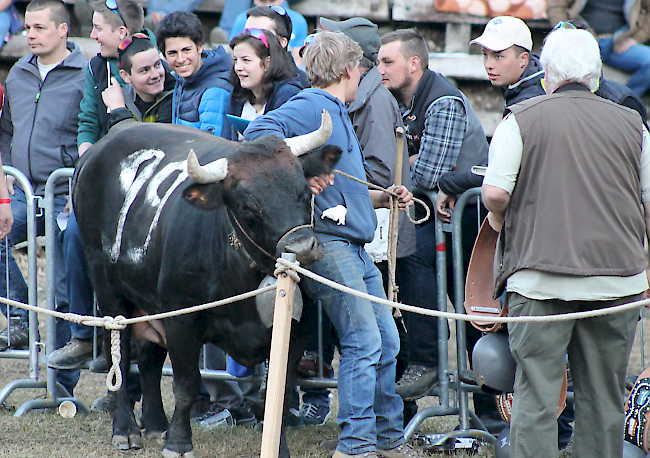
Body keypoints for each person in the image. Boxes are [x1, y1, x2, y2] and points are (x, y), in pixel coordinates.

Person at [245, 30, 420, 458]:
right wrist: (302, 168)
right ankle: (357, 445)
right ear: (348, 70)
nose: (364, 74)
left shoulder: (334, 109)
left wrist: (381, 196)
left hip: (351, 242)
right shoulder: (310, 106)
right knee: (363, 340)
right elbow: (256, 134)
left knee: (385, 342)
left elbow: (344, 188)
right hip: (331, 244)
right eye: (361, 68)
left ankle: (385, 439)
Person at [482, 27, 650, 458]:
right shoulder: (635, 125)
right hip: (617, 285)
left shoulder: (520, 118)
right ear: (594, 75)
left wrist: (499, 220)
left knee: (536, 397)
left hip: (540, 282)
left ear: (545, 73)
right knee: (604, 400)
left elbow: (495, 193)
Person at [377, 29, 488, 413]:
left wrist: (402, 165)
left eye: (387, 62)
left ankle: (442, 372)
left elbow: (427, 174)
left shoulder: (441, 100)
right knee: (414, 261)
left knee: (475, 313)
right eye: (377, 62)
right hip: (439, 218)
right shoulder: (397, 98)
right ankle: (425, 365)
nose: (380, 70)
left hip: (472, 222)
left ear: (414, 64)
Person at [319, 16, 418, 427]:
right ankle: (368, 435)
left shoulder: (373, 101)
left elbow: (377, 169)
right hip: (355, 229)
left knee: (377, 339)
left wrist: (352, 183)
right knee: (371, 338)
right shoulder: (339, 102)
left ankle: (378, 432)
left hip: (370, 233)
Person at [47, 0, 145, 372]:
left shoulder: (151, 62)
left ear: (122, 34)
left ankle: (121, 346)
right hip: (103, 177)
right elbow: (88, 121)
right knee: (73, 234)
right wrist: (85, 170)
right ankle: (84, 337)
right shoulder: (96, 66)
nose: (90, 35)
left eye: (97, 28)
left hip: (142, 186)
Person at [0, 0, 86, 396]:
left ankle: (62, 386)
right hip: (20, 190)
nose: (29, 35)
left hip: (66, 195)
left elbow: (96, 137)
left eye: (38, 28)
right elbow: (5, 133)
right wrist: (3, 178)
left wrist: (81, 189)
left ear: (63, 29)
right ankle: (18, 317)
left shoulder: (86, 74)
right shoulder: (18, 72)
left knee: (65, 287)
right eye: (27, 28)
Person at [547, 0, 650, 97]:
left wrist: (637, 37)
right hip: (582, 39)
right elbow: (556, 6)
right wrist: (567, 31)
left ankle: (624, 102)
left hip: (619, 41)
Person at [155, 11, 233, 136]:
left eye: (186, 50)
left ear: (200, 47)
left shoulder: (215, 91)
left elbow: (212, 147)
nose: (180, 59)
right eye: (172, 53)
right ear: (164, 55)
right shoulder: (181, 79)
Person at [225, 28, 301, 140]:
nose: (238, 68)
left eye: (246, 60)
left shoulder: (288, 95)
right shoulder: (236, 95)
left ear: (267, 63)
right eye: (235, 60)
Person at [244, 5, 309, 87]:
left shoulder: (300, 86)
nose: (249, 40)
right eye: (246, 33)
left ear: (282, 42)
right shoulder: (238, 79)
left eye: (258, 34)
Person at [228, 0, 307, 64]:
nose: (268, 6)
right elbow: (236, 55)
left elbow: (297, 60)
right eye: (263, 2)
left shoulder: (298, 21)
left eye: (273, 1)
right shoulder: (242, 19)